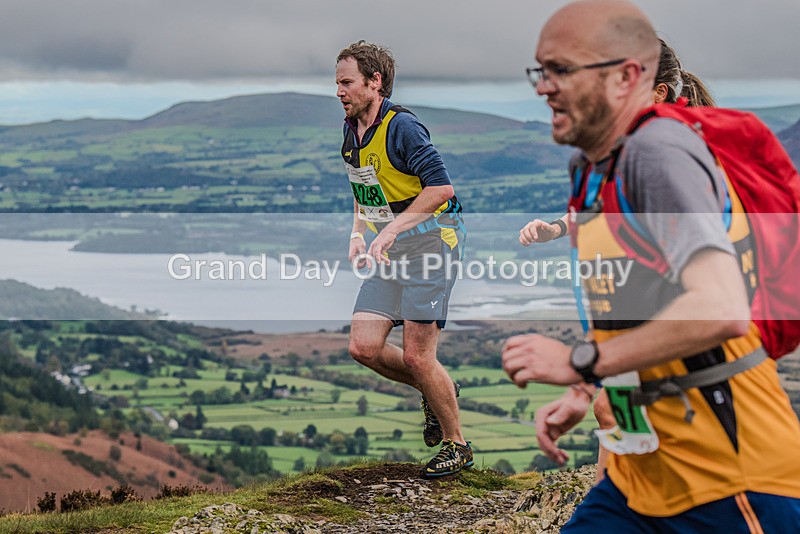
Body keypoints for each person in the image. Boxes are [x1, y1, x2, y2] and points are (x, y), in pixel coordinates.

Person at [502, 1, 800, 530]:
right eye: (541, 70)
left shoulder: (658, 153)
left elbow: (720, 309)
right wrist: (583, 393)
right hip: (640, 478)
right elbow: (628, 304)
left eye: (563, 70)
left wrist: (579, 363)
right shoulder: (593, 169)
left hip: (729, 479)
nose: (544, 87)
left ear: (627, 77)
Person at [518, 38, 717, 483]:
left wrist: (583, 370)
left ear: (655, 94)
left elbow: (713, 299)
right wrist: (584, 387)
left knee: (618, 415)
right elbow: (601, 216)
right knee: (614, 415)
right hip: (628, 338)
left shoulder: (667, 160)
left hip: (681, 352)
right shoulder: (609, 159)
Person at [335, 40, 471, 478]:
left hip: (433, 245)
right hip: (389, 251)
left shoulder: (403, 127)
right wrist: (359, 233)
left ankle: (457, 446)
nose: (339, 91)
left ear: (375, 82)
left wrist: (392, 228)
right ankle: (436, 390)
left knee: (417, 356)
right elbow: (364, 188)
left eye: (347, 82)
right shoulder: (351, 128)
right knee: (364, 346)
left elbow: (441, 189)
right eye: (337, 83)